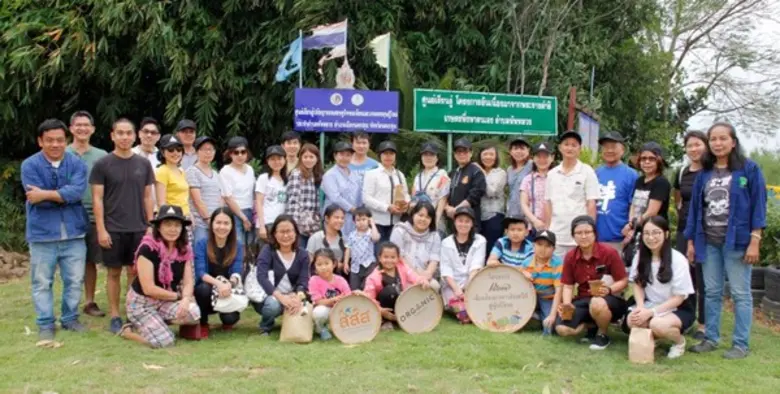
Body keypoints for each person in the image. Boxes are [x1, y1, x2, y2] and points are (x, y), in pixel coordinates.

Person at [686, 120, 767, 359]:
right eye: (713, 139)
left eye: (723, 138)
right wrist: (691, 241)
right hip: (708, 242)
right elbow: (695, 211)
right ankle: (711, 338)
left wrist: (755, 240)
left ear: (733, 142)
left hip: (738, 243)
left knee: (741, 293)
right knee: (711, 291)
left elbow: (758, 207)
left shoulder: (748, 170)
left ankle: (740, 344)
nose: (718, 143)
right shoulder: (704, 174)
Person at [22, 119, 89, 341]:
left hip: (74, 233)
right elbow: (34, 198)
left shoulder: (77, 164)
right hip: (42, 234)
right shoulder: (29, 166)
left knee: (74, 279)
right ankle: (45, 322)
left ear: (66, 141)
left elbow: (76, 193)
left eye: (60, 140)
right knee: (42, 281)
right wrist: (60, 195)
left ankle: (70, 318)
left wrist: (47, 194)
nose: (55, 144)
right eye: (49, 140)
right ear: (40, 141)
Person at [91, 118, 155, 334]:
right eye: (120, 133)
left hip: (138, 227)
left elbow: (148, 197)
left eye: (128, 133)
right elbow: (97, 199)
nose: (124, 137)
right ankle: (115, 315)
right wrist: (101, 228)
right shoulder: (102, 164)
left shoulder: (143, 164)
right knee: (113, 273)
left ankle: (132, 312)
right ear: (112, 135)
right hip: (113, 228)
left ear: (135, 135)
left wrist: (150, 226)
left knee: (135, 272)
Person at [118, 205, 200, 348]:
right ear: (159, 227)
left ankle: (154, 323)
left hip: (165, 300)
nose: (172, 229)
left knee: (194, 312)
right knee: (165, 341)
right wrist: (179, 297)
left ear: (182, 229)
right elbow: (149, 289)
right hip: (142, 303)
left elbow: (188, 281)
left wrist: (186, 299)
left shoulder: (184, 249)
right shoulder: (147, 249)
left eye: (177, 225)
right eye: (168, 224)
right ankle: (128, 331)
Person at [624, 216, 695, 359]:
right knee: (632, 321)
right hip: (650, 304)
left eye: (656, 233)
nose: (651, 238)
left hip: (677, 308)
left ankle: (679, 342)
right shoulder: (640, 256)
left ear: (666, 234)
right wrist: (640, 307)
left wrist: (651, 313)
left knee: (657, 324)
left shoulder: (678, 259)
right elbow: (637, 284)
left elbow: (679, 298)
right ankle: (654, 338)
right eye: (647, 233)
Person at [555, 215, 628, 350]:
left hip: (609, 299)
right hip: (583, 299)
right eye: (579, 233)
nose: (583, 236)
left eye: (587, 232)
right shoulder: (571, 256)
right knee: (562, 329)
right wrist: (566, 304)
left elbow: (623, 281)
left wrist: (609, 290)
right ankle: (591, 325)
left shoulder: (609, 253)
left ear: (595, 234)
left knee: (597, 303)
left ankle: (603, 335)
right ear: (573, 236)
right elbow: (568, 285)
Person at [66, 111, 108, 317]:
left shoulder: (102, 156)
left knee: (90, 260)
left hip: (94, 215)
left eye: (86, 125)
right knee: (69, 260)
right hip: (67, 214)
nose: (82, 128)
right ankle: (69, 302)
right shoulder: (62, 153)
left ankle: (90, 301)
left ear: (92, 129)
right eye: (78, 125)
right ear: (71, 128)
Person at [673, 130, 708, 340]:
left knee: (704, 279)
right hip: (684, 230)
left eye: (698, 144)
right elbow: (678, 198)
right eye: (690, 146)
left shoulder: (712, 172)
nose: (694, 149)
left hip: (706, 231)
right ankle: (686, 318)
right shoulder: (681, 172)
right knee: (685, 277)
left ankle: (704, 324)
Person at [544, 131, 599, 257]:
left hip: (579, 236)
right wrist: (547, 230)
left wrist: (590, 232)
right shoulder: (552, 174)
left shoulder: (587, 171)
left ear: (579, 149)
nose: (570, 148)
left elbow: (591, 203)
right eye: (566, 144)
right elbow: (548, 203)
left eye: (574, 145)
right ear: (560, 147)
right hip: (556, 234)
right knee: (557, 273)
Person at [253, 215, 310, 336]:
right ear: (274, 234)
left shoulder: (303, 254)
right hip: (270, 296)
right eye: (281, 232)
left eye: (289, 231)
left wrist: (297, 297)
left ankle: (292, 322)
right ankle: (266, 326)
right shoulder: (267, 250)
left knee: (306, 302)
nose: (285, 235)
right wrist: (281, 297)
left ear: (295, 233)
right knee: (272, 306)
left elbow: (304, 280)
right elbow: (261, 276)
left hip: (292, 296)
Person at [193, 208, 243, 335]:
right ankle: (203, 322)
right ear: (212, 224)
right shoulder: (201, 244)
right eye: (218, 222)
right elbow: (201, 272)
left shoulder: (237, 245)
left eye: (226, 223)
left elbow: (237, 271)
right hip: (208, 289)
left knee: (230, 319)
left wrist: (228, 285)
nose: (222, 227)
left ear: (232, 226)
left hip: (227, 289)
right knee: (203, 289)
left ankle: (226, 319)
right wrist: (218, 284)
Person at [363, 242, 429, 331]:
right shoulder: (373, 277)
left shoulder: (402, 268)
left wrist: (423, 281)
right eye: (386, 257)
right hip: (384, 310)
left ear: (398, 258)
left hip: (401, 305)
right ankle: (385, 322)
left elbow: (415, 277)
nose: (389, 260)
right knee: (390, 290)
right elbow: (369, 299)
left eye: (393, 257)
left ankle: (401, 319)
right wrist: (380, 310)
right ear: (380, 258)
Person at [439, 207, 486, 324]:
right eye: (460, 220)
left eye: (467, 221)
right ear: (454, 222)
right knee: (464, 315)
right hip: (452, 285)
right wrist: (457, 290)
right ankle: (454, 307)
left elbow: (476, 266)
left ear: (472, 224)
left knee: (482, 309)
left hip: (472, 283)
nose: (463, 224)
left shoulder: (480, 241)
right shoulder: (446, 243)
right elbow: (446, 270)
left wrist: (467, 289)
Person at [595, 131, 638, 252]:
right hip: (595, 238)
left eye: (613, 147)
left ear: (622, 150)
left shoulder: (631, 175)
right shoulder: (596, 173)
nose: (609, 150)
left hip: (619, 238)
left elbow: (635, 205)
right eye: (606, 147)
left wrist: (631, 229)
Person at [623, 142, 672, 243]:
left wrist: (632, 225)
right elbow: (633, 205)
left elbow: (651, 212)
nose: (647, 162)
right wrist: (630, 222)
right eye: (643, 159)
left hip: (654, 231)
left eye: (651, 159)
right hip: (638, 229)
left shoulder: (661, 182)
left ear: (658, 161)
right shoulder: (639, 181)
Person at [363, 141, 410, 242]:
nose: (388, 157)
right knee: (379, 254)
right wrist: (387, 207)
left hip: (397, 223)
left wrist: (406, 204)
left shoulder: (399, 174)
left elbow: (405, 193)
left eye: (391, 154)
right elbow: (366, 198)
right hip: (378, 223)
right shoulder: (372, 174)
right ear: (380, 155)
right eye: (385, 153)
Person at [390, 201, 442, 291]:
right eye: (420, 215)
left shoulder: (434, 236)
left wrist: (428, 273)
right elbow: (399, 257)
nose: (423, 219)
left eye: (428, 217)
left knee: (435, 286)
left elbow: (434, 259)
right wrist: (417, 275)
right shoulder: (400, 231)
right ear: (413, 214)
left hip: (424, 276)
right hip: (402, 274)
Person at [520, 230, 563, 335]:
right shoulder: (527, 262)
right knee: (515, 318)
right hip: (530, 295)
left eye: (548, 246)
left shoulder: (557, 263)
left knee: (550, 327)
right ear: (533, 245)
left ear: (554, 249)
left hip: (548, 297)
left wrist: (552, 315)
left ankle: (540, 317)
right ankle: (535, 316)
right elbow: (517, 276)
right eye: (539, 244)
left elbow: (559, 291)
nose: (542, 249)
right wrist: (522, 272)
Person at [186, 136, 224, 244]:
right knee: (200, 254)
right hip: (201, 223)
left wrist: (219, 219)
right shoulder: (192, 171)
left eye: (211, 149)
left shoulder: (216, 173)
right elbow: (197, 200)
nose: (208, 152)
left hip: (216, 222)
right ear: (197, 152)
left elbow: (220, 197)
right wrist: (208, 220)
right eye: (204, 149)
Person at [309, 248, 352, 341]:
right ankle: (321, 329)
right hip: (326, 309)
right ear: (315, 266)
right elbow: (318, 302)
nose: (323, 267)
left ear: (334, 264)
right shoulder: (314, 280)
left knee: (351, 309)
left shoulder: (341, 280)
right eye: (319, 264)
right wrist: (333, 300)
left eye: (326, 263)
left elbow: (348, 297)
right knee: (318, 312)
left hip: (341, 308)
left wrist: (343, 299)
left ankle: (344, 327)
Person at [285, 143, 323, 247]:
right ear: (300, 158)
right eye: (305, 157)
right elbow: (293, 201)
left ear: (317, 159)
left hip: (312, 224)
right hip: (299, 224)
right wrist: (294, 225)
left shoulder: (316, 175)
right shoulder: (297, 174)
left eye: (311, 157)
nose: (308, 160)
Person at [220, 136, 256, 247]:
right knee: (238, 245)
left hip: (251, 210)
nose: (240, 155)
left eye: (243, 152)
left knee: (251, 245)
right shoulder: (225, 171)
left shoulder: (250, 169)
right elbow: (228, 198)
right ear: (230, 154)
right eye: (236, 152)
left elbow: (254, 192)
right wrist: (243, 218)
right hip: (234, 213)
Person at [445, 138, 487, 230]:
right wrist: (447, 207)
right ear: (454, 155)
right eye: (459, 152)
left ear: (471, 153)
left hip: (470, 222)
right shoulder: (452, 173)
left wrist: (456, 210)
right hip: (453, 222)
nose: (462, 154)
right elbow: (444, 194)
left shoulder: (476, 172)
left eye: (465, 151)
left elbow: (475, 195)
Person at [322, 141, 363, 236]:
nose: (345, 158)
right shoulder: (330, 175)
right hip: (335, 218)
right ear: (335, 156)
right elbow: (335, 197)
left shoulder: (355, 174)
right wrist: (353, 209)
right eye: (341, 154)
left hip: (353, 219)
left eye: (348, 155)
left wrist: (361, 211)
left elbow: (360, 194)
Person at [410, 142, 450, 232]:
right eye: (425, 155)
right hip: (418, 222)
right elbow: (414, 198)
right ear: (421, 157)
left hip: (435, 220)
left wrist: (435, 222)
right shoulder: (418, 176)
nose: (428, 158)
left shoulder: (442, 175)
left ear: (437, 158)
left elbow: (442, 199)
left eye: (432, 155)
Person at [255, 145, 288, 247]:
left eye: (279, 158)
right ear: (268, 161)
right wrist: (261, 226)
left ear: (285, 160)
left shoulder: (287, 180)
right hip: (267, 223)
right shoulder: (263, 178)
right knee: (265, 257)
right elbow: (258, 203)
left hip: (282, 224)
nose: (276, 162)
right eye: (272, 159)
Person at [478, 145, 507, 250]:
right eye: (485, 154)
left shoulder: (500, 173)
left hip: (494, 216)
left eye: (491, 154)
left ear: (496, 157)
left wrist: (481, 171)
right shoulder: (475, 171)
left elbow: (491, 192)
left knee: (492, 249)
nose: (488, 157)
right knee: (479, 249)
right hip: (477, 217)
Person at [520, 141, 554, 235]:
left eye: (545, 156)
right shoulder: (528, 179)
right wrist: (534, 221)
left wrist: (549, 224)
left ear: (552, 158)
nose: (542, 159)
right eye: (538, 156)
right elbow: (524, 203)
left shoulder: (558, 177)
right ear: (533, 159)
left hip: (555, 226)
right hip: (533, 227)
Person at [345, 207, 380, 290]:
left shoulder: (370, 233)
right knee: (354, 288)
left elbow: (376, 238)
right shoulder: (352, 235)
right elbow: (348, 249)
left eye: (364, 219)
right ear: (354, 222)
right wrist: (346, 262)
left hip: (369, 264)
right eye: (358, 220)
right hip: (355, 266)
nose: (361, 222)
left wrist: (373, 224)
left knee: (367, 287)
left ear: (368, 220)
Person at [307, 205, 348, 275]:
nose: (340, 221)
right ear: (327, 218)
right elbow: (309, 263)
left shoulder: (344, 239)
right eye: (336, 217)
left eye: (342, 218)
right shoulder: (315, 238)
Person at [155, 134, 190, 216]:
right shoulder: (162, 171)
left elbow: (183, 199)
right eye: (171, 150)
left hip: (185, 216)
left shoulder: (181, 171)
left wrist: (190, 215)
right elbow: (161, 203)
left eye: (178, 149)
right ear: (163, 152)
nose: (175, 153)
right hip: (172, 217)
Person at [133, 117, 162, 209]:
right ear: (139, 134)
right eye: (146, 131)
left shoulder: (163, 158)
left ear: (158, 137)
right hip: (133, 208)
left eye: (153, 133)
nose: (149, 135)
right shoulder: (129, 155)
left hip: (157, 211)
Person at [506, 136, 534, 218]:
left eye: (522, 148)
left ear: (528, 150)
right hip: (512, 211)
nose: (519, 151)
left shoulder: (532, 165)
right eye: (515, 148)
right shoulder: (509, 169)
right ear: (510, 151)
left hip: (528, 213)